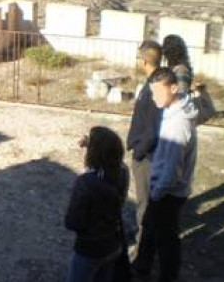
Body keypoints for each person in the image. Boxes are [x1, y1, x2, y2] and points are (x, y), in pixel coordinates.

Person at [132, 67, 198, 282]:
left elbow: (171, 170)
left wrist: (157, 193)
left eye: (159, 92)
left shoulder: (177, 125)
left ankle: (166, 277)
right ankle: (142, 268)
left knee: (167, 241)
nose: (155, 98)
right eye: (152, 93)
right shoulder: (175, 111)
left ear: (174, 88)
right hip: (166, 190)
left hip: (168, 192)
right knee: (151, 230)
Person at [66, 126, 128, 282]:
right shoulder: (123, 171)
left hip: (89, 248)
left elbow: (72, 222)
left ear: (93, 152)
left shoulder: (86, 182)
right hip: (114, 242)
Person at [126, 41, 163, 255]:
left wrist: (139, 151)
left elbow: (154, 125)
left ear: (145, 60)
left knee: (145, 200)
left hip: (147, 154)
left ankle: (142, 246)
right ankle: (142, 232)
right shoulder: (155, 81)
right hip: (145, 150)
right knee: (143, 199)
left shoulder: (155, 87)